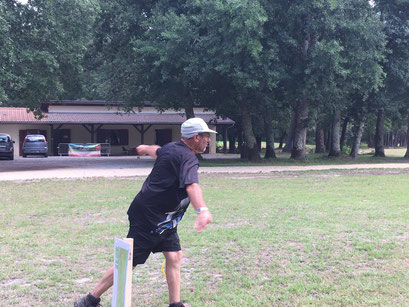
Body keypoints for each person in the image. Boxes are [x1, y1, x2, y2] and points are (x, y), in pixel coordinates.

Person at [74, 117, 215, 307]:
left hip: (164, 218)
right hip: (150, 217)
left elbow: (156, 150)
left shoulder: (172, 148)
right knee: (129, 261)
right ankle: (89, 300)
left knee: (174, 256)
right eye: (206, 137)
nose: (209, 140)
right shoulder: (188, 158)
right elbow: (192, 186)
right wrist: (202, 210)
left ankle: (175, 304)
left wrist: (144, 148)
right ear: (196, 137)